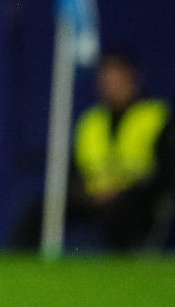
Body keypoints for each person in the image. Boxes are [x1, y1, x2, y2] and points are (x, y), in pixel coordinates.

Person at [11, 51, 174, 252]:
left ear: (133, 78)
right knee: (43, 209)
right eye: (106, 79)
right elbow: (74, 173)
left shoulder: (156, 116)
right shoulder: (90, 121)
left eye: (117, 78)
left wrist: (123, 192)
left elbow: (164, 174)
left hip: (136, 199)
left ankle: (122, 262)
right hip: (92, 197)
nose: (111, 85)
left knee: (121, 213)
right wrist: (85, 193)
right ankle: (14, 261)